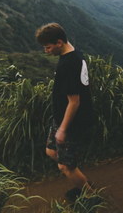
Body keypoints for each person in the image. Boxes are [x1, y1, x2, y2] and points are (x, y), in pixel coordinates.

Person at [35, 23, 94, 201]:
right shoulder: (75, 54)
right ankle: (81, 183)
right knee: (51, 151)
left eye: (48, 47)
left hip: (70, 122)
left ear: (59, 42)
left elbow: (74, 102)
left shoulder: (67, 65)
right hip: (61, 118)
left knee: (65, 166)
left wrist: (62, 129)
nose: (46, 51)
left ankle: (91, 196)